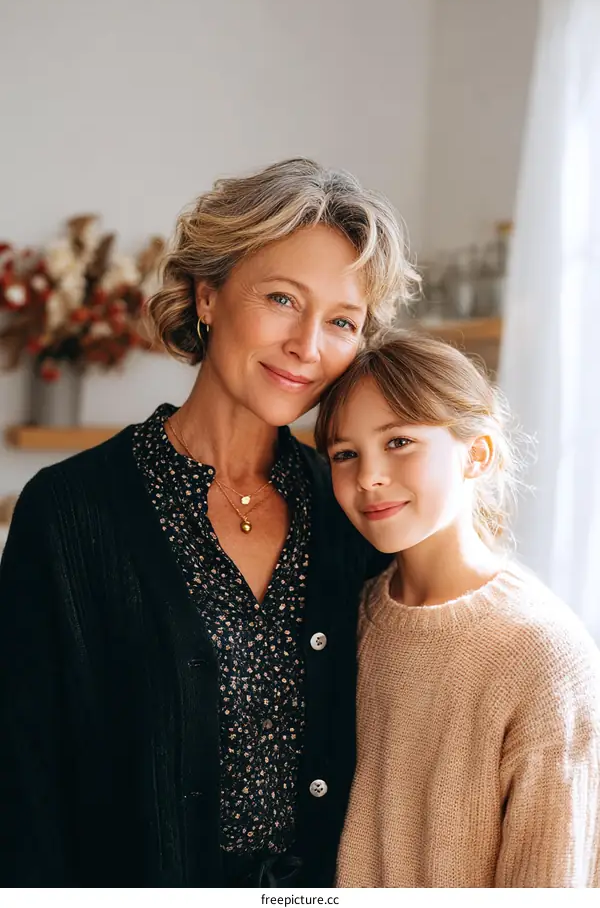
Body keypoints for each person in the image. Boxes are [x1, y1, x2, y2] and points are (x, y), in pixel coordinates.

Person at [0, 159, 418, 887]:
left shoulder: (353, 511)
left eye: (342, 322)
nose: (308, 346)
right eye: (283, 299)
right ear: (208, 295)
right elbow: (22, 783)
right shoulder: (69, 513)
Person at [315, 331, 600, 888]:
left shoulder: (542, 653)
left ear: (477, 453)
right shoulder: (341, 619)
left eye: (398, 442)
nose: (368, 476)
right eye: (345, 454)